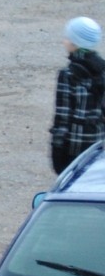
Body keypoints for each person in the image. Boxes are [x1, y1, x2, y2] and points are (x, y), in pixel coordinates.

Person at [51, 16, 105, 174]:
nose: (64, 41)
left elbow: (63, 115)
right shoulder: (102, 70)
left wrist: (57, 146)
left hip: (73, 147)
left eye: (67, 38)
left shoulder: (67, 74)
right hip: (98, 144)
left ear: (74, 43)